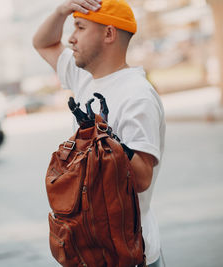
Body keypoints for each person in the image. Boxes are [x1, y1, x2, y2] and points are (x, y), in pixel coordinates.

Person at [33, 0, 166, 266]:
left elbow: (141, 178)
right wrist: (62, 11)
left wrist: (100, 134)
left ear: (109, 33)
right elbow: (43, 43)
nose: (70, 39)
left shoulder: (137, 95)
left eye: (80, 27)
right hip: (90, 249)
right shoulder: (84, 77)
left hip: (129, 253)